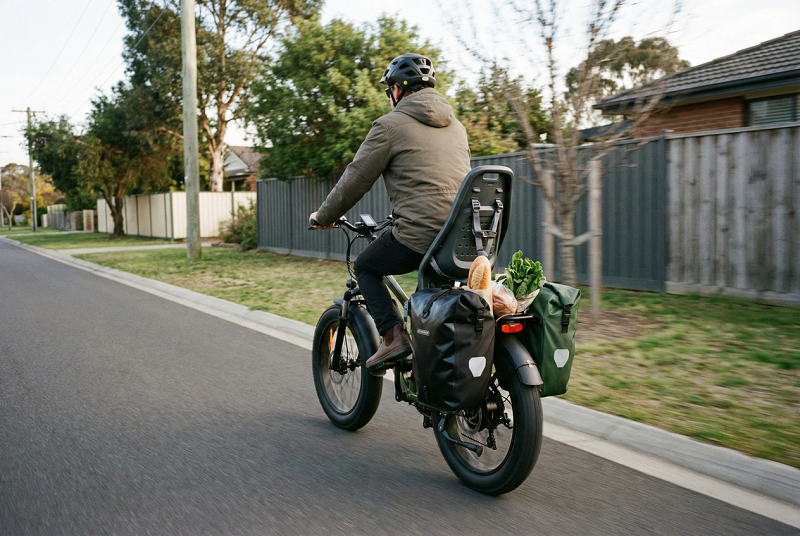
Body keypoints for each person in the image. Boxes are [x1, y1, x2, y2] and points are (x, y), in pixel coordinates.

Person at [310, 53, 471, 369]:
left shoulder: (390, 125)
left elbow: (355, 179)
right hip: (462, 239)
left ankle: (393, 336)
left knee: (367, 265)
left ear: (398, 89)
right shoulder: (458, 128)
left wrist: (323, 216)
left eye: (390, 90)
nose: (389, 96)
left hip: (420, 236)